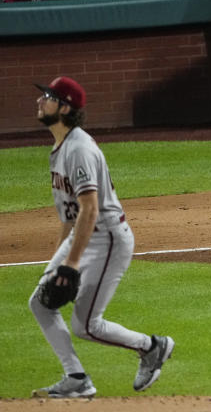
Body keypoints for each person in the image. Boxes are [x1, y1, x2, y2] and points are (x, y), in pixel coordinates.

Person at [28, 75, 174, 399]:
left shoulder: (78, 149)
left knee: (86, 326)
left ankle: (152, 347)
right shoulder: (60, 148)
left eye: (48, 96)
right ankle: (76, 378)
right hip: (85, 235)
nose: (40, 101)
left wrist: (72, 265)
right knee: (40, 302)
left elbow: (90, 209)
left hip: (107, 239)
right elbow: (70, 217)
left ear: (64, 108)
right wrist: (60, 262)